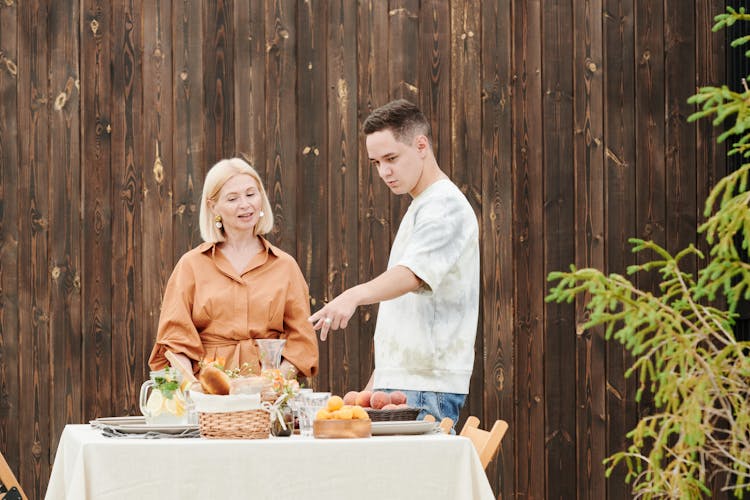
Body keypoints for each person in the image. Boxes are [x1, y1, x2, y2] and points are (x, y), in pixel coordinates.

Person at [308, 99, 479, 425]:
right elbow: (409, 314)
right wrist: (376, 384)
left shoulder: (444, 206)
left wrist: (352, 296)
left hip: (427, 385)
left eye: (391, 158)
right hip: (403, 382)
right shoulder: (422, 206)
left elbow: (413, 275)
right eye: (376, 163)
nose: (384, 171)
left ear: (421, 145)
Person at [149, 157, 318, 380]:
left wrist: (273, 385)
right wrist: (193, 391)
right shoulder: (191, 266)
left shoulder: (285, 266)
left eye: (251, 194)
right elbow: (174, 341)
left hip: (269, 397)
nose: (245, 205)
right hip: (208, 395)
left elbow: (301, 342)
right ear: (213, 206)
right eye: (232, 198)